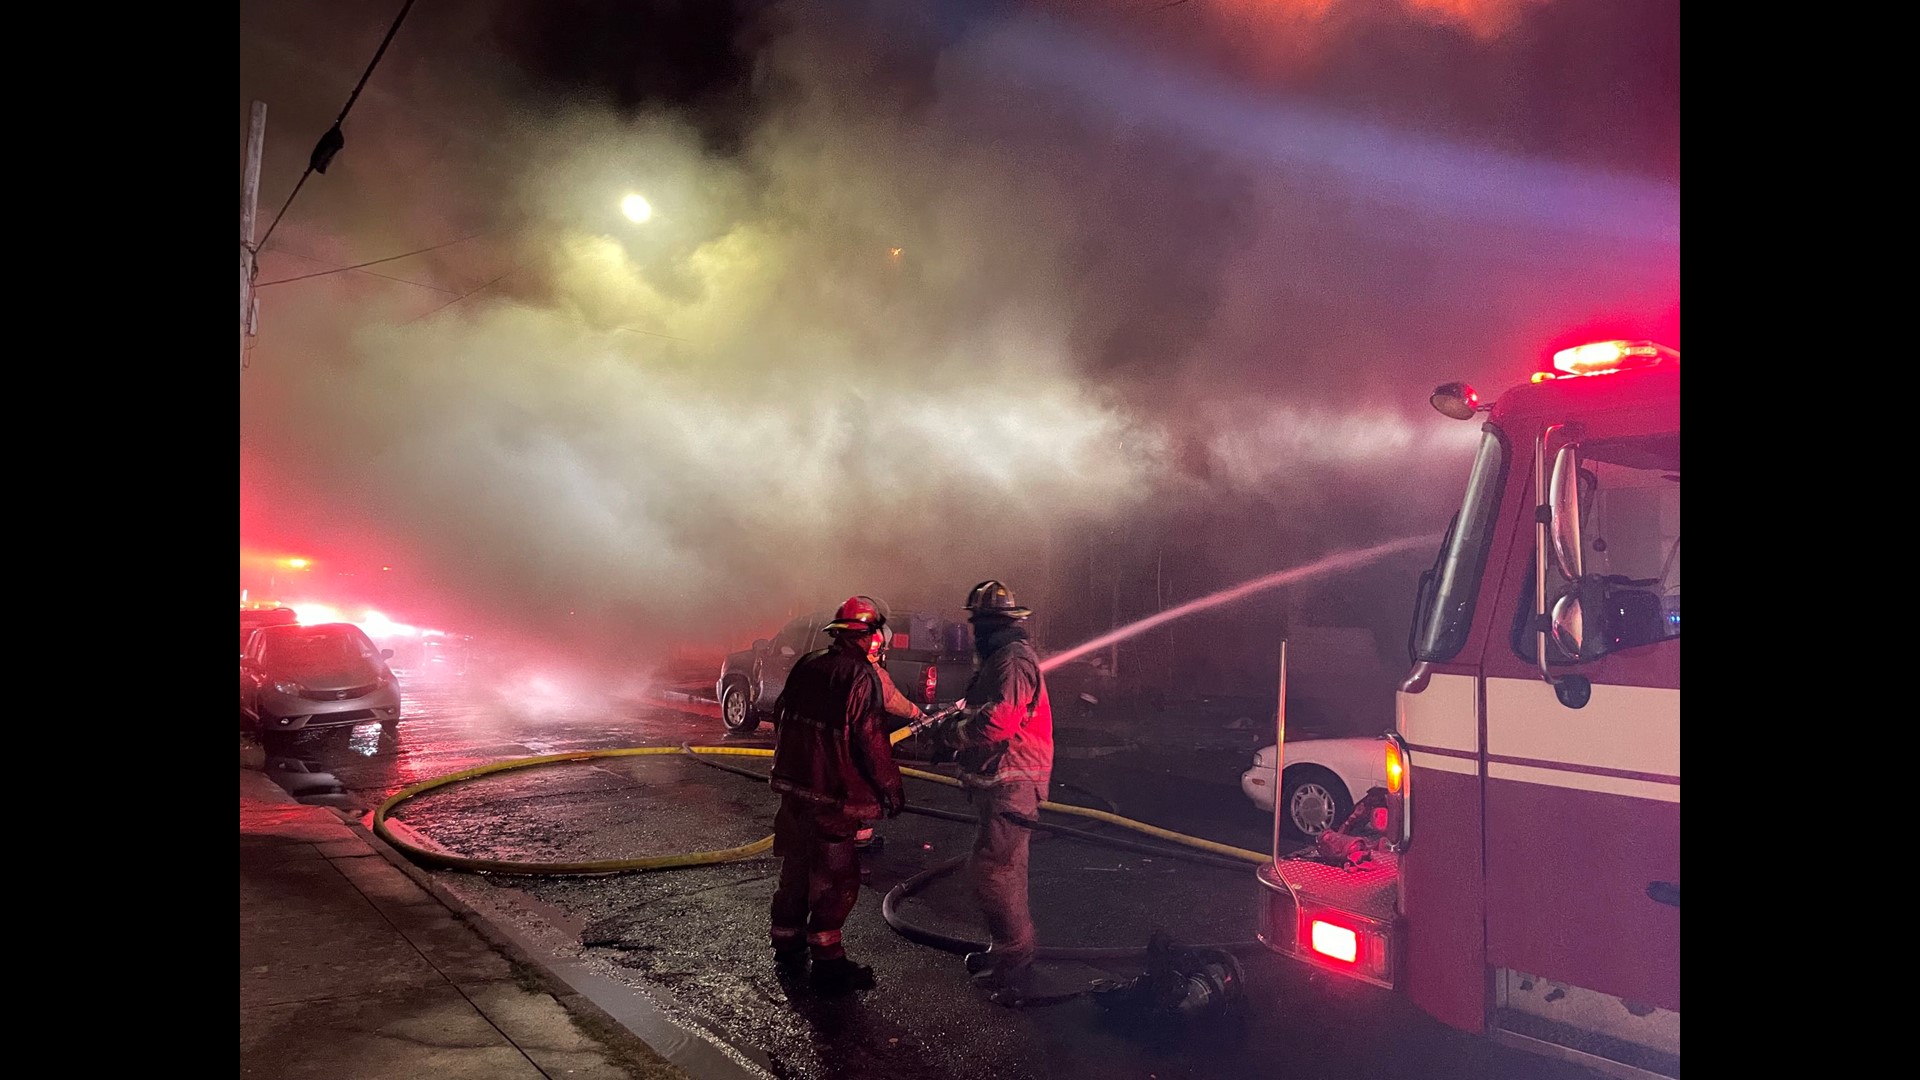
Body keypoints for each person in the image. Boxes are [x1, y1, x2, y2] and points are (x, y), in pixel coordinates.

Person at [767, 596, 906, 992]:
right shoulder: (861, 677)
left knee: (795, 869)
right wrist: (891, 791)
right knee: (836, 878)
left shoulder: (809, 664)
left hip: (793, 789)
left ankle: (786, 945)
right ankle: (828, 964)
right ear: (870, 636)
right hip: (831, 797)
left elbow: (781, 715)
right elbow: (872, 741)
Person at [929, 580, 1053, 1003]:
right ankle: (1007, 954)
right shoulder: (1000, 658)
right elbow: (982, 712)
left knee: (994, 872)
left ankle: (1015, 964)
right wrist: (948, 725)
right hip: (1003, 780)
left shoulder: (1013, 661)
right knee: (1001, 870)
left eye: (979, 623)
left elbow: (1000, 722)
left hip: (1014, 782)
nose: (975, 631)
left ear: (992, 624)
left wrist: (953, 737)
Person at [856, 612, 927, 850]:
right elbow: (893, 699)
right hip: (854, 746)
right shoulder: (871, 673)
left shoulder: (827, 664)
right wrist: (917, 713)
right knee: (859, 785)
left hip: (815, 755)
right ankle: (857, 839)